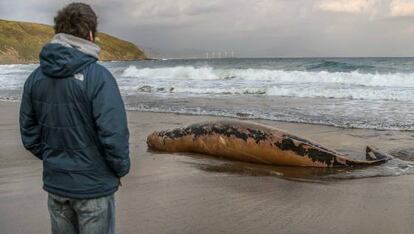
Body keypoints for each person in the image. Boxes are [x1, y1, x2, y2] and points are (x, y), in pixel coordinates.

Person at [19, 3, 130, 234]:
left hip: (57, 184)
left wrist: (54, 157)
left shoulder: (35, 78)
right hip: (94, 187)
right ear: (90, 35)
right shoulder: (99, 77)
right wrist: (119, 169)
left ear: (58, 32)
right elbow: (114, 134)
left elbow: (29, 134)